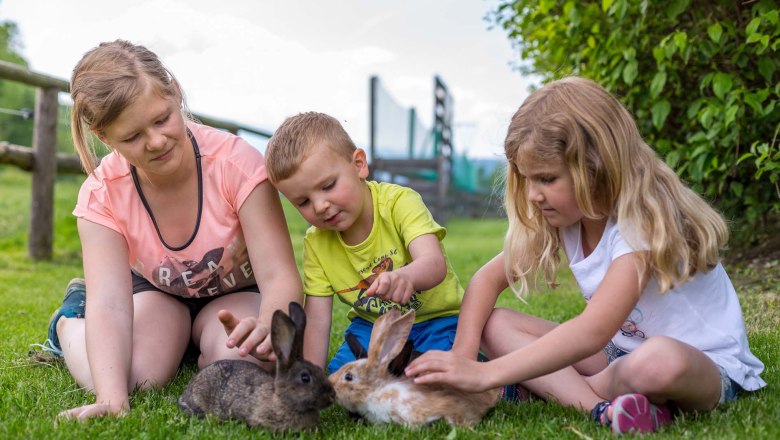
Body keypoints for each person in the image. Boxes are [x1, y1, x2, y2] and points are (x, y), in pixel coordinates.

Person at [405, 76, 766, 434]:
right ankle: (603, 409)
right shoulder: (569, 220)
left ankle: (565, 390)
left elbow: (592, 331)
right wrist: (464, 357)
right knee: (497, 323)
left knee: (657, 361)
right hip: (617, 354)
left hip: (703, 364)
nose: (532, 194)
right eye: (526, 178)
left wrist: (486, 374)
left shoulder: (639, 225)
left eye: (546, 179)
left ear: (597, 168)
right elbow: (486, 280)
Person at [34, 40, 302, 420]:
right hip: (157, 294)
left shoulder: (236, 164)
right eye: (133, 137)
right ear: (104, 137)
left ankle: (198, 342)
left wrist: (268, 326)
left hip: (235, 294)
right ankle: (67, 322)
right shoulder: (101, 193)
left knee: (240, 362)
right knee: (133, 376)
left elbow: (279, 275)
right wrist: (112, 399)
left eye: (161, 119)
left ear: (175, 92)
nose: (156, 141)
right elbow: (110, 303)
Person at [257, 111, 464, 373]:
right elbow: (318, 319)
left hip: (437, 321)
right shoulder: (317, 243)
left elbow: (433, 264)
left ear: (358, 164)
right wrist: (309, 375)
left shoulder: (399, 203)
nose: (320, 206)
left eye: (328, 185)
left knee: (426, 379)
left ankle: (506, 387)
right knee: (341, 384)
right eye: (303, 202)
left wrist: (406, 277)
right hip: (372, 328)